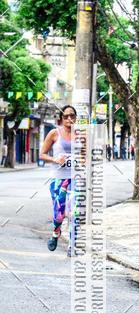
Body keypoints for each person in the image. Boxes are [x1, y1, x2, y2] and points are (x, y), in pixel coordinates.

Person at [40, 106, 76, 255]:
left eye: (72, 116)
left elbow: (88, 155)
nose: (69, 119)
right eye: (66, 116)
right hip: (58, 179)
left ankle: (72, 246)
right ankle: (56, 233)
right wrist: (55, 159)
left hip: (75, 179)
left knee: (75, 212)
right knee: (59, 214)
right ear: (61, 118)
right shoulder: (54, 133)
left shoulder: (81, 135)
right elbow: (42, 154)